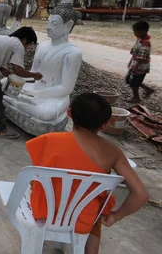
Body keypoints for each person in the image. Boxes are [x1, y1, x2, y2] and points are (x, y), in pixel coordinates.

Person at [26, 93, 149, 254]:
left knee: (34, 182)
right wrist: (115, 216)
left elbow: (37, 173)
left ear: (69, 114)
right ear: (105, 125)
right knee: (95, 210)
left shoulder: (48, 140)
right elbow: (141, 195)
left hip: (44, 209)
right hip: (83, 217)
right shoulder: (113, 152)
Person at [127, 21, 155, 102]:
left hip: (140, 66)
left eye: (135, 31)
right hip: (135, 64)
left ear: (142, 31)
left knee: (134, 82)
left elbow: (141, 57)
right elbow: (135, 53)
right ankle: (148, 89)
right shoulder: (139, 39)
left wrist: (135, 67)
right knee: (130, 80)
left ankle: (136, 97)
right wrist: (131, 62)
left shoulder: (146, 43)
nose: (134, 33)